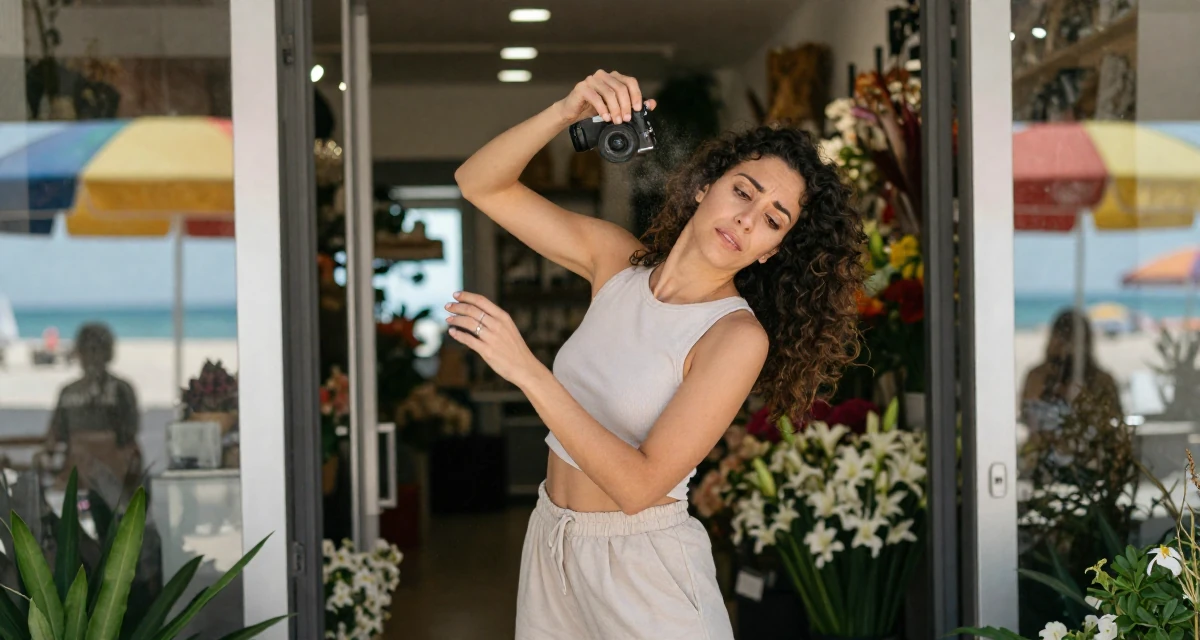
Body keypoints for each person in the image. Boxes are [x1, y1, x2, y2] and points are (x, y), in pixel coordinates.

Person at [448, 70, 864, 639]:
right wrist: (566, 111)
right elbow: (479, 184)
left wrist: (526, 371)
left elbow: (640, 487)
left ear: (773, 251)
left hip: (644, 568)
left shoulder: (734, 337)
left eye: (773, 219)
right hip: (552, 539)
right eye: (743, 190)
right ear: (704, 186)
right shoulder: (616, 260)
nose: (747, 218)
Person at [44, 322, 141, 497]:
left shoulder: (69, 391)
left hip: (81, 477)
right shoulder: (122, 389)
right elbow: (130, 433)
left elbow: (56, 435)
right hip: (112, 479)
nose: (93, 356)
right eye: (90, 350)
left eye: (96, 350)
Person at [1020, 308, 1122, 433]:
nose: (1066, 348)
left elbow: (1113, 422)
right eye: (1062, 339)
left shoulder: (1102, 381)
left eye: (1071, 340)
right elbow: (1028, 418)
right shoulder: (1036, 377)